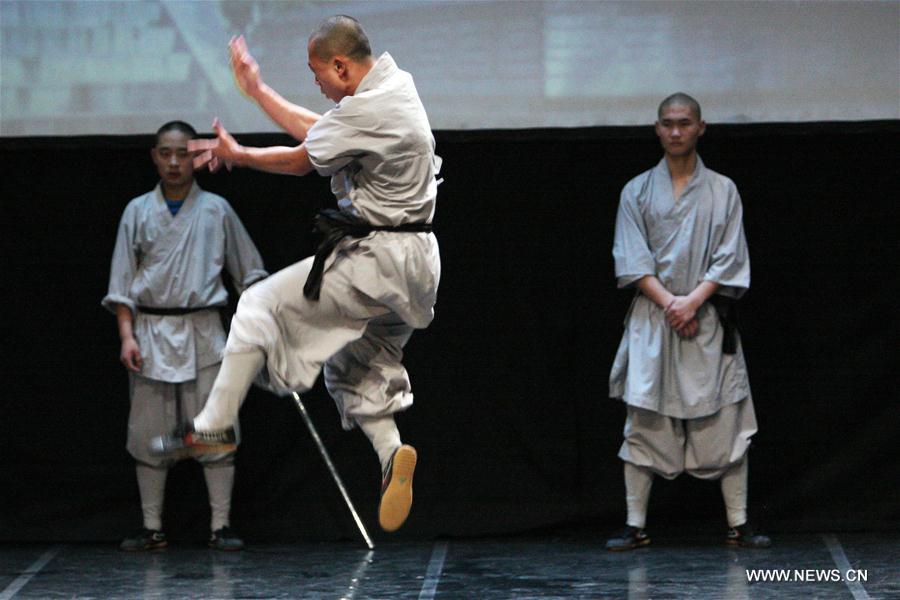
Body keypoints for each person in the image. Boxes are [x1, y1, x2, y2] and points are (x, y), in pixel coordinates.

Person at [150, 15, 441, 533]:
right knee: (354, 365)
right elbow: (322, 133)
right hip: (416, 266)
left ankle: (214, 424)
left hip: (379, 260)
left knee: (258, 304)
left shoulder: (374, 105)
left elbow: (301, 160)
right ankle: (391, 452)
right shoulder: (393, 88)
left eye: (316, 75)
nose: (317, 85)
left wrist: (239, 155)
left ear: (340, 65)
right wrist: (258, 91)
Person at [605, 93, 770, 551]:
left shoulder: (723, 190)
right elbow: (631, 258)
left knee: (725, 418)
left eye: (684, 123)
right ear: (656, 129)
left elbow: (730, 256)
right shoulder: (636, 191)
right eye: (667, 124)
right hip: (655, 320)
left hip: (705, 318)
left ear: (701, 127)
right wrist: (671, 305)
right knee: (644, 421)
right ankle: (635, 525)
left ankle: (738, 523)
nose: (675, 131)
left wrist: (692, 302)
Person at [103, 120, 268, 551]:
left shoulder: (216, 210)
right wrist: (126, 336)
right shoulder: (137, 211)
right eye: (166, 153)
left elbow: (248, 272)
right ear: (155, 157)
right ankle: (152, 526)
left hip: (203, 330)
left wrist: (258, 318)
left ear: (196, 158)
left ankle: (220, 526)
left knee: (214, 429)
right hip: (151, 331)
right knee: (148, 432)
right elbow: (121, 283)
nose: (174, 162)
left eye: (183, 154)